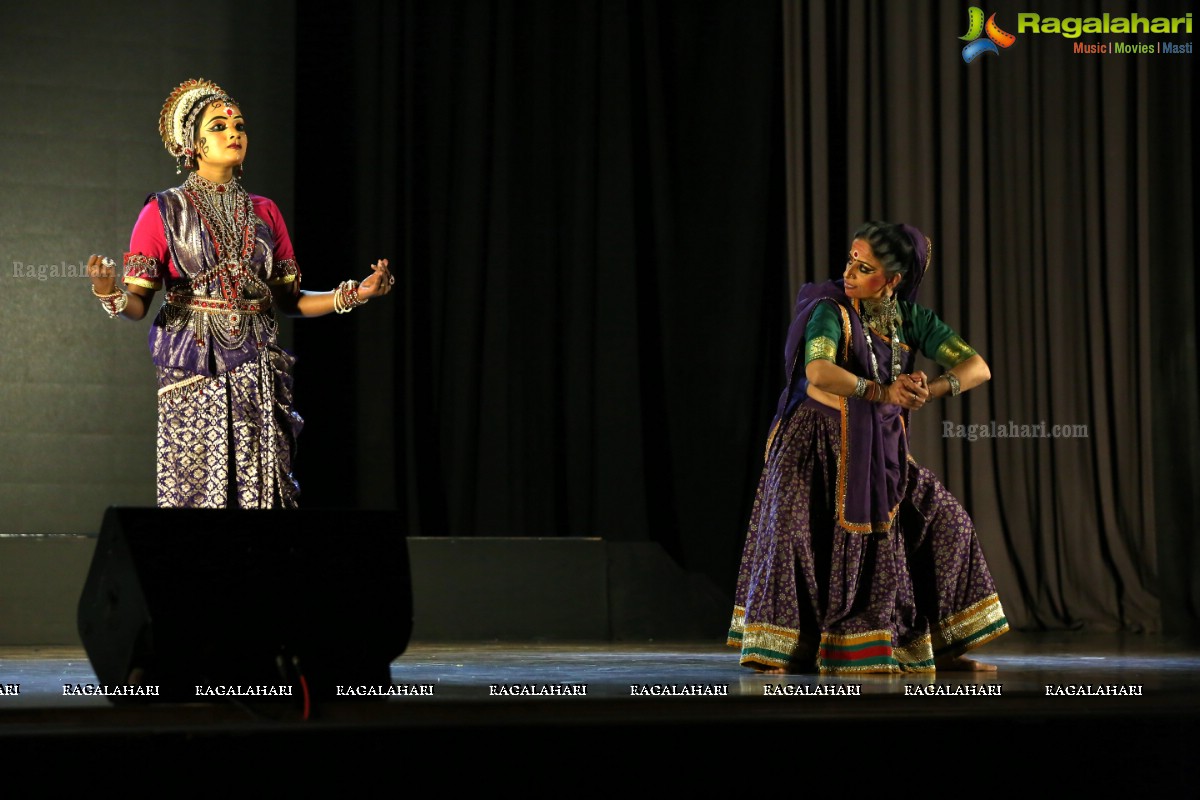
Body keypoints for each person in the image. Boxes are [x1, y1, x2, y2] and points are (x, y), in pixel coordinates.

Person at [86, 78, 393, 509]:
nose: (234, 133)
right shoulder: (163, 211)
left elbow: (290, 301)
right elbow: (138, 306)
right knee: (197, 492)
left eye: (239, 126)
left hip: (256, 367)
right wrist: (109, 292)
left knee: (259, 493)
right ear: (190, 144)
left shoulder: (265, 212)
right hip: (192, 367)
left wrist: (356, 294)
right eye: (218, 126)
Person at [727, 221, 1008, 673]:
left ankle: (941, 645)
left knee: (945, 524)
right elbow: (819, 373)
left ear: (893, 281)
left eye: (864, 267)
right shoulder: (831, 311)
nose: (850, 274)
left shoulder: (911, 319)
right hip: (814, 440)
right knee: (796, 534)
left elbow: (978, 368)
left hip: (877, 446)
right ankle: (779, 648)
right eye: (850, 262)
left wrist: (926, 389)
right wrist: (883, 393)